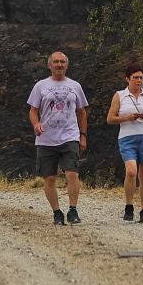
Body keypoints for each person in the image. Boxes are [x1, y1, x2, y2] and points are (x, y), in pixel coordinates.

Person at [27, 50, 89, 225]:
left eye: (62, 62)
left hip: (70, 136)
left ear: (67, 65)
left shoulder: (75, 86)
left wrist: (82, 135)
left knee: (72, 174)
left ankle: (73, 210)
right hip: (46, 139)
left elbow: (82, 112)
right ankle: (57, 212)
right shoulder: (40, 86)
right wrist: (36, 124)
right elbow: (33, 110)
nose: (59, 65)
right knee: (50, 178)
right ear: (49, 65)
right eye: (56, 62)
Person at [105, 64, 143, 222]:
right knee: (131, 171)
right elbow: (110, 119)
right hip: (127, 137)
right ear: (127, 78)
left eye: (141, 77)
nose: (139, 80)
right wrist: (127, 118)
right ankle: (129, 206)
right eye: (135, 77)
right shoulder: (119, 96)